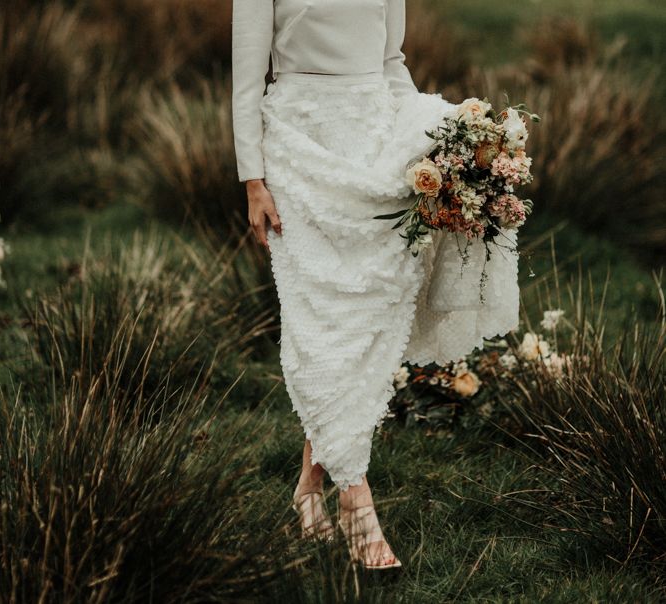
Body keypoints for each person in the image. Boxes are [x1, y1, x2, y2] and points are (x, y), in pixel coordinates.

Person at [231, 0, 520, 570]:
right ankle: (356, 501)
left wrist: (449, 139)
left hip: (373, 144)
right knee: (321, 320)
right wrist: (252, 181)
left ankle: (309, 488)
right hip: (299, 147)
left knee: (365, 319)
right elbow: (246, 79)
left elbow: (393, 63)